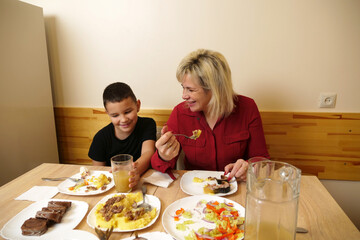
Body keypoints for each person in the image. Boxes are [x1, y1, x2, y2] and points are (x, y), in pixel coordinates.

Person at [151, 49, 269, 181]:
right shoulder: (180, 113)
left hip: (235, 188)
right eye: (183, 87)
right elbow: (159, 167)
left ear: (214, 88)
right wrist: (163, 156)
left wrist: (248, 167)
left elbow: (262, 161)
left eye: (190, 89)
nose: (183, 96)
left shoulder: (247, 108)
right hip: (194, 190)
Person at [88, 82, 156, 188]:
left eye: (128, 111)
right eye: (115, 115)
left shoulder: (147, 124)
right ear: (107, 113)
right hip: (113, 188)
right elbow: (98, 173)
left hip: (142, 184)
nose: (123, 119)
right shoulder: (100, 138)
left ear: (137, 106)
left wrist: (135, 171)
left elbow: (148, 152)